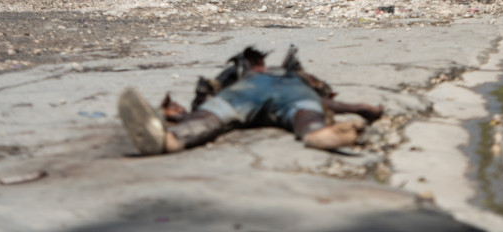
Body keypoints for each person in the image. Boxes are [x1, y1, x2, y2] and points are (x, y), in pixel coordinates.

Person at [118, 46, 384, 156]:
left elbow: (206, 104)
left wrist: (181, 114)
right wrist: (362, 109)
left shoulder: (237, 81)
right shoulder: (297, 79)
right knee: (306, 113)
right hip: (290, 94)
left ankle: (173, 139)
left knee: (213, 116)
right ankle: (319, 134)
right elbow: (327, 102)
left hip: (241, 96)